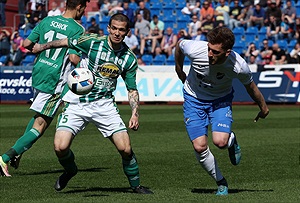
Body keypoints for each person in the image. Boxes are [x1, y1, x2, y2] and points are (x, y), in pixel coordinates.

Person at [31, 13, 153, 194]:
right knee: (60, 147)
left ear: (127, 32)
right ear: (109, 28)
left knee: (126, 149)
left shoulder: (128, 59)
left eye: (121, 30)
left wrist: (135, 113)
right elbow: (66, 42)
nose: (117, 33)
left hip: (104, 105)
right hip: (76, 102)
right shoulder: (92, 42)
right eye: (114, 28)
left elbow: (132, 89)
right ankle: (71, 170)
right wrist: (43, 46)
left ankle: (136, 185)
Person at [174, 27, 269, 195]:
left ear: (227, 52)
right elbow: (179, 46)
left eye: (215, 51)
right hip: (193, 99)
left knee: (220, 142)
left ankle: (231, 139)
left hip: (220, 101)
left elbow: (251, 87)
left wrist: (263, 107)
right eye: (209, 49)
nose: (210, 54)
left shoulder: (239, 66)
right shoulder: (195, 48)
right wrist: (178, 68)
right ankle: (221, 182)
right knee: (199, 146)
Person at [0, 0, 89, 177]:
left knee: (38, 117)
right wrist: (86, 61)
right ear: (79, 6)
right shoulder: (78, 29)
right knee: (41, 125)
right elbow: (73, 59)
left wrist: (42, 50)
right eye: (84, 8)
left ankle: (18, 152)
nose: (84, 11)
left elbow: (25, 44)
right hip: (55, 79)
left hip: (39, 72)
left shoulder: (47, 21)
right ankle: (5, 158)